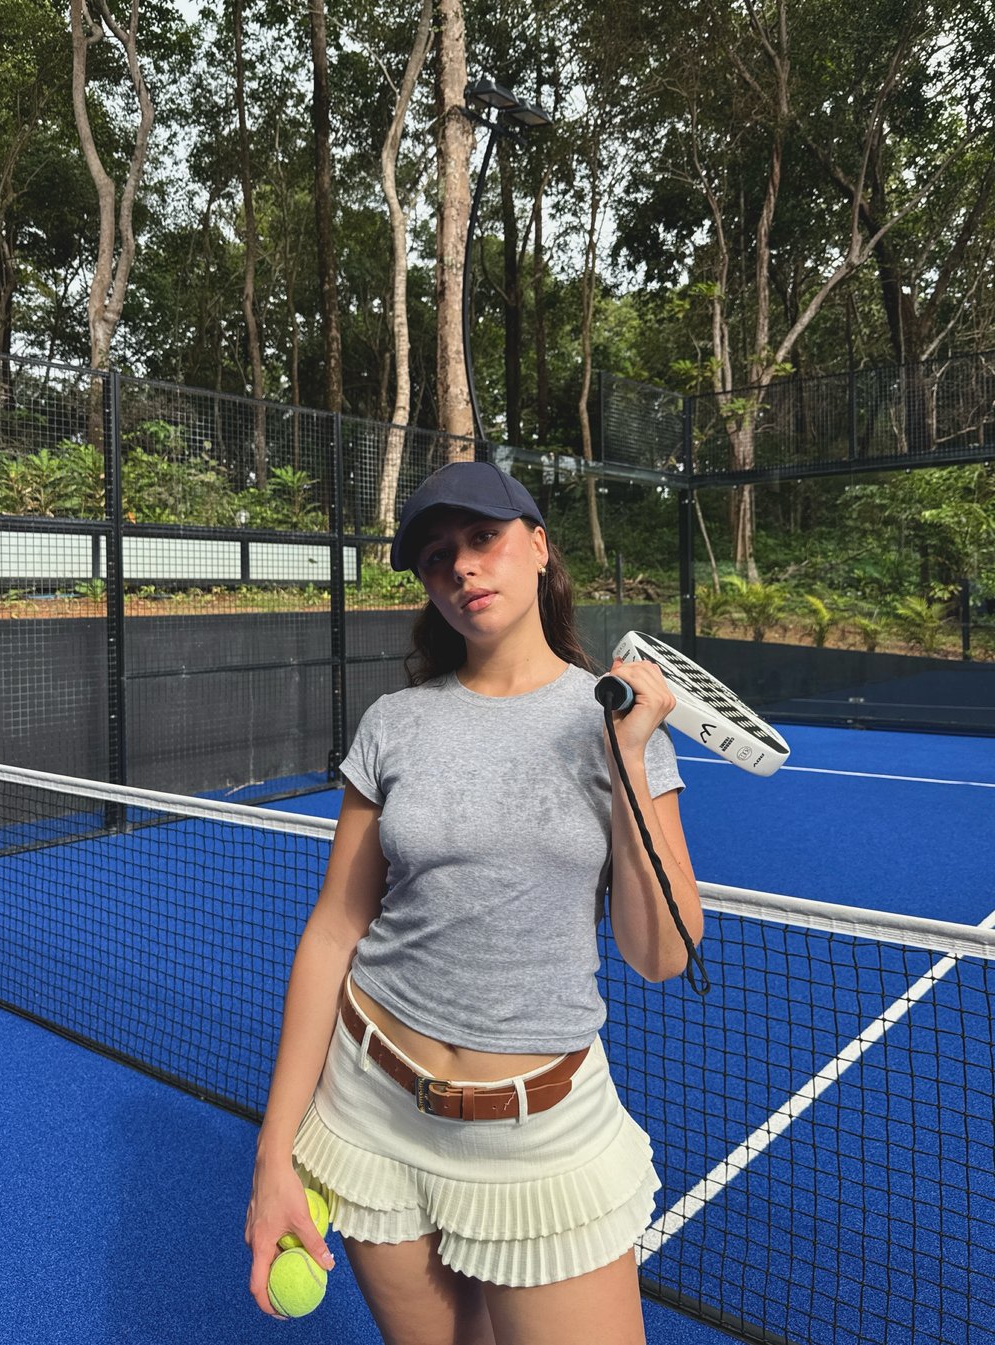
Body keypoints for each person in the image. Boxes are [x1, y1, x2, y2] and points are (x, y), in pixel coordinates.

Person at [245, 460, 703, 1345]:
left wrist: (630, 758)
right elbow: (336, 928)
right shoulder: (394, 722)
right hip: (369, 1112)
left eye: (483, 538)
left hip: (540, 1140)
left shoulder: (612, 722)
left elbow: (663, 955)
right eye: (436, 556)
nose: (462, 566)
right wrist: (274, 1154)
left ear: (537, 547)